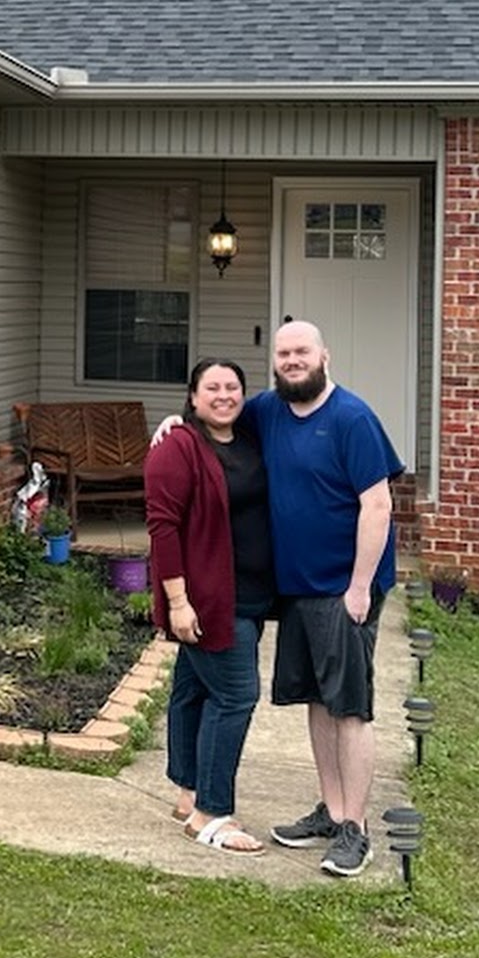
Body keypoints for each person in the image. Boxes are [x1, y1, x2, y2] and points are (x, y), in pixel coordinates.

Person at [255, 320, 405, 878]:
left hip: (344, 589)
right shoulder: (268, 411)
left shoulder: (352, 418)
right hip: (297, 587)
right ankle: (332, 809)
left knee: (349, 707)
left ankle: (356, 830)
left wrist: (360, 586)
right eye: (284, 354)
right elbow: (215, 418)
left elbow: (378, 506)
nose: (293, 361)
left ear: (325, 356)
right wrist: (177, 422)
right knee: (317, 701)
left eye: (302, 352)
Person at [143, 357, 277, 855]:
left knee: (194, 689)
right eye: (212, 388)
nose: (224, 396)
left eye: (232, 387)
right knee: (236, 696)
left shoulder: (249, 438)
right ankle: (210, 814)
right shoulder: (177, 446)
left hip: (251, 594)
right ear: (193, 397)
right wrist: (177, 602)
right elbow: (163, 528)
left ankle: (188, 793)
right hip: (208, 599)